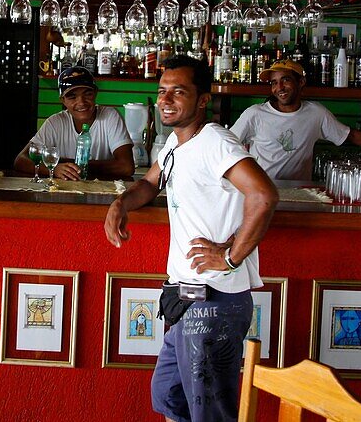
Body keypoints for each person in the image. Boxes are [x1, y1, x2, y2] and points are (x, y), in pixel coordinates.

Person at [105, 55, 278, 422]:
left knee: (209, 413)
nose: (165, 100)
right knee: (170, 397)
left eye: (178, 92)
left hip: (214, 301)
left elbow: (263, 195)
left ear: (203, 100)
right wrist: (121, 203)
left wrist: (231, 255)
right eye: (162, 91)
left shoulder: (215, 141)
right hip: (185, 297)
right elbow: (151, 182)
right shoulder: (176, 142)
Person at [229, 59, 361, 187]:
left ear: (301, 82)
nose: (279, 87)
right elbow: (225, 146)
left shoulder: (316, 113)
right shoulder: (255, 114)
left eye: (285, 80)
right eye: (274, 83)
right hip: (261, 190)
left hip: (301, 192)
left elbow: (350, 135)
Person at [14, 66, 134, 181]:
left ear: (95, 93)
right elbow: (21, 160)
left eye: (87, 94)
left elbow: (126, 167)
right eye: (72, 97)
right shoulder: (55, 122)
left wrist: (75, 166)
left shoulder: (110, 116)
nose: (81, 102)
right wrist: (54, 169)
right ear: (63, 100)